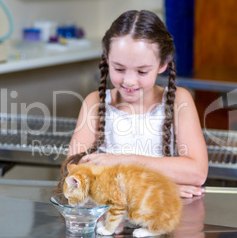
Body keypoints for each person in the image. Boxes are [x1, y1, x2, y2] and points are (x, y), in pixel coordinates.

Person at [60, 10, 208, 198]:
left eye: (142, 71)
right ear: (107, 59)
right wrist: (155, 185)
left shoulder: (179, 99)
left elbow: (197, 172)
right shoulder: (94, 102)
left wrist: (122, 161)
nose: (129, 81)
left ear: (163, 64)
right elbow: (75, 172)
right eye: (119, 68)